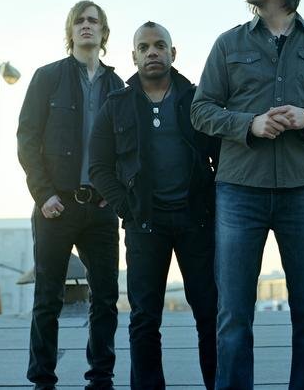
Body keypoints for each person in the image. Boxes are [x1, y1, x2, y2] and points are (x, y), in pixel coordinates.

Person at [190, 0, 304, 390]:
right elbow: (201, 110)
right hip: (239, 191)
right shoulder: (228, 44)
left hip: (303, 191)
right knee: (233, 315)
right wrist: (250, 124)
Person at [89, 21, 218, 390]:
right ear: (134, 56)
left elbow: (222, 155)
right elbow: (98, 166)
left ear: (172, 53)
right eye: (144, 48)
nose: (152, 52)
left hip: (196, 222)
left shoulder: (197, 99)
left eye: (160, 45)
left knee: (210, 315)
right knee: (145, 319)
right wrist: (126, 208)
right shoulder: (117, 105)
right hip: (145, 224)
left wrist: (213, 203)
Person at [17, 0, 124, 390]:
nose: (86, 25)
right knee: (48, 297)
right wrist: (43, 194)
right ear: (70, 31)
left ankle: (101, 377)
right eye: (79, 21)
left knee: (106, 297)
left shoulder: (117, 86)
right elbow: (27, 138)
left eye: (93, 20)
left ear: (104, 32)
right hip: (56, 206)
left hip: (100, 207)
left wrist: (114, 193)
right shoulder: (47, 77)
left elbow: (128, 148)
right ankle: (43, 379)